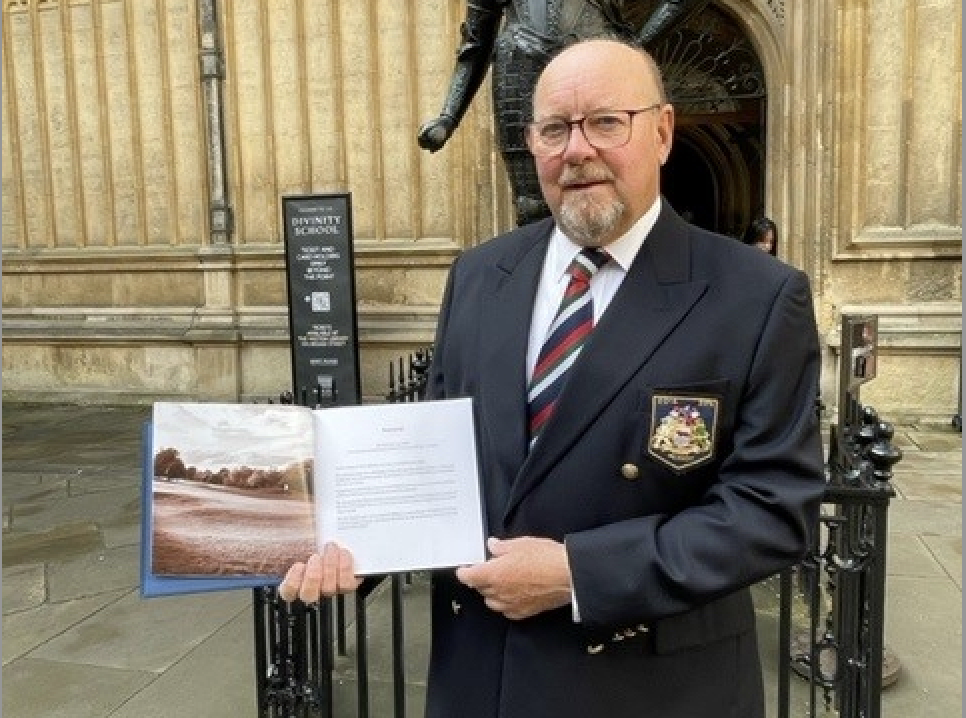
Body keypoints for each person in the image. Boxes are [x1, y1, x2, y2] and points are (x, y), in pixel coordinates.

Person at [281, 38, 826, 718]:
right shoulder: (479, 276)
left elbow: (772, 509)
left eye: (606, 121)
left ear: (661, 132)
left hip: (647, 690)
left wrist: (579, 574)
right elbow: (433, 467)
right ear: (531, 143)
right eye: (553, 129)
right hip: (481, 680)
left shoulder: (757, 296)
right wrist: (356, 547)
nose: (577, 150)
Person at [417, 0, 711, 226]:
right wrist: (449, 116)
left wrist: (632, 49)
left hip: (597, 64)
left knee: (613, 193)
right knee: (531, 206)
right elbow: (475, 43)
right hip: (520, 69)